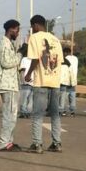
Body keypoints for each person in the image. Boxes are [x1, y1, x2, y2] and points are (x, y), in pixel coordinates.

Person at [25, 14, 64, 153]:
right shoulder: (55, 39)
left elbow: (35, 59)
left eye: (32, 26)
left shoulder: (34, 38)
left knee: (37, 114)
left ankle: (37, 144)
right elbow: (59, 61)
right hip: (55, 81)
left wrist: (28, 73)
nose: (32, 29)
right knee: (55, 114)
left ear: (35, 25)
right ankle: (57, 143)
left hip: (41, 81)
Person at [0, 19, 22, 151]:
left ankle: (9, 141)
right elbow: (6, 62)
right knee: (9, 115)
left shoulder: (8, 43)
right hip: (7, 85)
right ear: (11, 29)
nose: (18, 33)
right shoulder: (5, 43)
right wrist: (20, 54)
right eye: (17, 30)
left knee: (12, 115)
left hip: (11, 84)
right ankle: (4, 143)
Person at [18, 43, 33, 118]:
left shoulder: (24, 59)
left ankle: (23, 112)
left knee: (24, 99)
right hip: (33, 82)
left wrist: (21, 80)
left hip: (25, 82)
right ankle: (29, 112)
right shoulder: (33, 60)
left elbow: (22, 70)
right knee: (30, 99)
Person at [64, 47, 78, 116]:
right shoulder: (75, 58)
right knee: (72, 95)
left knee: (64, 96)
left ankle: (63, 110)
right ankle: (72, 111)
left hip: (66, 79)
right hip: (74, 79)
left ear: (65, 53)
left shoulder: (65, 59)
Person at [59, 50, 71, 116]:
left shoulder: (58, 62)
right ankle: (61, 110)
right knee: (63, 97)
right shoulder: (67, 63)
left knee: (57, 96)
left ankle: (58, 109)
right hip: (64, 82)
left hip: (58, 82)